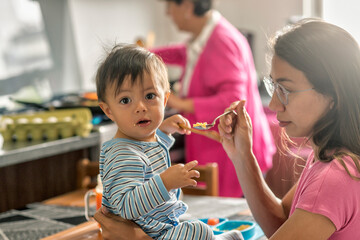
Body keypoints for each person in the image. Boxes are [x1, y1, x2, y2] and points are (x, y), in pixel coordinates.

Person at [94, 18, 360, 239]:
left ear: (332, 95)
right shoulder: (327, 157)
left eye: (286, 89)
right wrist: (242, 154)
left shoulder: (335, 177)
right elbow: (280, 223)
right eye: (273, 87)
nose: (275, 103)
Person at [95, 44, 243, 240]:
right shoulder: (121, 154)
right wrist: (164, 183)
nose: (140, 107)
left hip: (158, 228)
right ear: (108, 111)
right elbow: (126, 207)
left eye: (149, 96)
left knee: (196, 228)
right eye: (125, 100)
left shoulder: (138, 140)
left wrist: (164, 131)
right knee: (197, 231)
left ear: (164, 100)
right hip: (142, 235)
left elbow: (150, 152)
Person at [152, 0, 275, 197]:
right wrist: (142, 55)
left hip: (231, 149)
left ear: (187, 6)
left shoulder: (221, 40)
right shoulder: (206, 35)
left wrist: (175, 101)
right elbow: (183, 54)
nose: (167, 13)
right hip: (220, 147)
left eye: (170, 6)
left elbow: (233, 99)